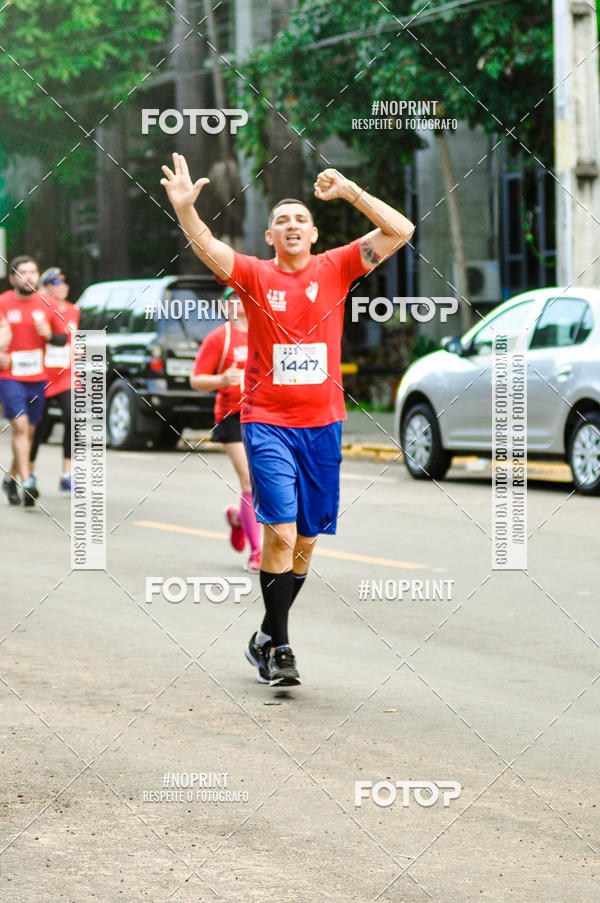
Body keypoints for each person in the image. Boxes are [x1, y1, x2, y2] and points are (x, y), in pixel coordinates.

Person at [161, 153, 414, 686]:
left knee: (306, 541)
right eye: (282, 221)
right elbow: (210, 247)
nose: (292, 225)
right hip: (266, 419)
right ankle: (282, 649)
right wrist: (186, 210)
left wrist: (350, 191)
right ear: (271, 237)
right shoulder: (255, 275)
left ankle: (263, 635)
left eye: (301, 219)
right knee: (278, 532)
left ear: (314, 233)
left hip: (324, 423)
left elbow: (401, 229)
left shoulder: (338, 266)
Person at [190, 286, 262, 571]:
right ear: (225, 306)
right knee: (248, 481)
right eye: (232, 299)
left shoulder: (264, 332)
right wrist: (222, 379)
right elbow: (196, 380)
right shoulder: (219, 338)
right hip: (232, 415)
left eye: (243, 297)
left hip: (264, 414)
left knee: (265, 482)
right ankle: (257, 552)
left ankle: (237, 517)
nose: (239, 303)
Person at [0, 256, 67, 507]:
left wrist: (49, 335)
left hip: (38, 378)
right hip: (9, 377)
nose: (28, 276)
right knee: (19, 427)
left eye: (32, 271)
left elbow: (62, 339)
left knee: (28, 433)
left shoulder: (47, 303)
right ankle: (28, 484)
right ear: (12, 278)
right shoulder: (3, 303)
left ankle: (11, 478)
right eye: (22, 272)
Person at [29, 267, 80, 493]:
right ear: (45, 287)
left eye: (64, 282)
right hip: (42, 375)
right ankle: (27, 472)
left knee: (72, 419)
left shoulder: (73, 310)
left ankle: (67, 474)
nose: (62, 286)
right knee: (37, 427)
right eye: (55, 282)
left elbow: (74, 339)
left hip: (66, 375)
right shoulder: (40, 308)